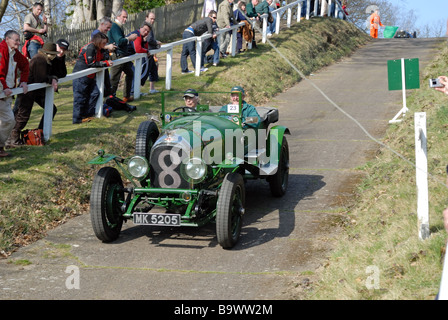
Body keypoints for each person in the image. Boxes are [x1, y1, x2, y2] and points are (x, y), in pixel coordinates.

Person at [8, 42, 59, 146]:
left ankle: (39, 133)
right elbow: (41, 78)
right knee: (22, 115)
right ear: (46, 53)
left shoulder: (46, 60)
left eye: (54, 54)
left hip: (37, 91)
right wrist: (52, 78)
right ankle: (13, 139)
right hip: (28, 91)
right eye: (52, 54)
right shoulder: (39, 60)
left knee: (51, 108)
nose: (54, 57)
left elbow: (59, 73)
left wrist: (53, 77)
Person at [72, 32, 113, 124]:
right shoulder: (90, 48)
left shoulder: (100, 49)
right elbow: (91, 63)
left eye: (106, 43)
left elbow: (102, 59)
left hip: (90, 76)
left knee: (95, 93)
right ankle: (77, 119)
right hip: (81, 76)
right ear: (98, 41)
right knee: (80, 98)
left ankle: (88, 114)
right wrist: (105, 63)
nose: (105, 45)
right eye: (103, 43)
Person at [0, 30, 29, 157]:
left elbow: (25, 65)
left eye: (19, 40)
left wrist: (23, 82)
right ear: (7, 39)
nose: (18, 42)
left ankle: (0, 147)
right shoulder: (1, 51)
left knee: (8, 121)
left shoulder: (15, 53)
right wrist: (5, 87)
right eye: (16, 40)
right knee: (9, 120)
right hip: (3, 91)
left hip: (6, 93)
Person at [108, 9, 138, 102]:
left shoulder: (119, 26)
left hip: (122, 55)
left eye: (126, 17)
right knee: (114, 79)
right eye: (123, 17)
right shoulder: (114, 26)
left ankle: (126, 96)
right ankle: (110, 100)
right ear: (118, 16)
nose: (125, 19)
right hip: (117, 55)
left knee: (130, 73)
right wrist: (130, 38)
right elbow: (119, 41)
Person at [127, 22, 152, 98]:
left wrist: (145, 41)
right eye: (145, 30)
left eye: (148, 31)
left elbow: (145, 47)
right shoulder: (137, 35)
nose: (146, 32)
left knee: (133, 73)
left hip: (127, 57)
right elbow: (138, 49)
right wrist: (147, 51)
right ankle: (132, 92)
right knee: (134, 74)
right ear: (140, 28)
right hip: (123, 57)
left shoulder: (141, 36)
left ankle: (132, 92)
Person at [145, 12, 162, 94]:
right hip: (145, 53)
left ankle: (152, 89)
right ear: (146, 18)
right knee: (143, 72)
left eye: (154, 19)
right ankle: (134, 91)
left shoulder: (150, 27)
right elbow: (149, 40)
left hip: (150, 52)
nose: (152, 21)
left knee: (153, 70)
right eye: (151, 18)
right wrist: (157, 42)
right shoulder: (145, 27)